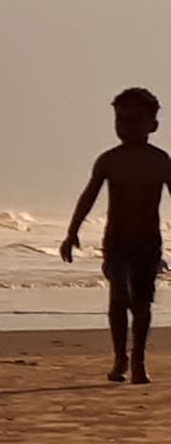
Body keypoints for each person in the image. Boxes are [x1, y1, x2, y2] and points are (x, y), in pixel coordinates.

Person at [60, 88, 171, 385]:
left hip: (148, 242)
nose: (127, 127)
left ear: (153, 125)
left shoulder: (160, 161)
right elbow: (88, 197)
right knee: (118, 296)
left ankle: (138, 360)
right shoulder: (109, 160)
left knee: (143, 303)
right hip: (116, 241)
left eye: (135, 120)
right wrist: (72, 233)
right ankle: (120, 356)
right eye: (121, 121)